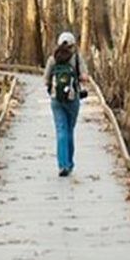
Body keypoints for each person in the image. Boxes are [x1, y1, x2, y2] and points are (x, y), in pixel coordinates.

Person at [44, 31, 89, 177]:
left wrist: (52, 83)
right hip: (72, 98)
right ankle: (69, 163)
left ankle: (62, 165)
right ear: (72, 45)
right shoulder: (76, 59)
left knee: (61, 130)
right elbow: (84, 77)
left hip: (56, 99)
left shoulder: (52, 59)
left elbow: (45, 80)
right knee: (69, 129)